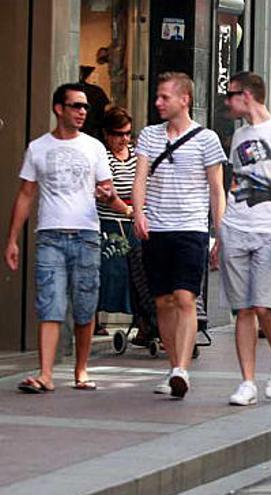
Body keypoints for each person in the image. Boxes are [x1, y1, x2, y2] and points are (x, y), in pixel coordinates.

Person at [5, 83, 125, 393]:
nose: (83, 112)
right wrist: (12, 239)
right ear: (59, 109)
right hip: (50, 236)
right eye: (76, 106)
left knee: (85, 306)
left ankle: (81, 371)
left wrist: (120, 204)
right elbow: (25, 195)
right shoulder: (38, 147)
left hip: (87, 235)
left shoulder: (94, 147)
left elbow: (108, 192)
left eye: (85, 107)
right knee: (50, 304)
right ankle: (45, 374)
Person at [132, 72, 227, 399]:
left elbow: (217, 190)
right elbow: (140, 178)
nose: (158, 102)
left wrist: (220, 234)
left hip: (191, 229)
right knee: (162, 301)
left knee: (186, 298)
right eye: (157, 97)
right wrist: (139, 213)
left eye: (164, 97)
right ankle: (173, 366)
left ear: (184, 100)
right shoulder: (148, 136)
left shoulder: (207, 139)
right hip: (156, 229)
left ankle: (181, 370)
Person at [220, 72, 271, 406]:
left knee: (266, 307)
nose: (227, 101)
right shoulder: (239, 136)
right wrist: (221, 230)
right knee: (243, 309)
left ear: (248, 95)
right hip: (237, 227)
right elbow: (234, 183)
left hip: (270, 230)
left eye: (231, 94)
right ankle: (247, 381)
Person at [94, 106, 137, 335]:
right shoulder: (102, 156)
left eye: (128, 133)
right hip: (110, 220)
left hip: (135, 221)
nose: (124, 139)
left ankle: (142, 322)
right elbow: (107, 192)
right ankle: (96, 320)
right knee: (110, 270)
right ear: (107, 134)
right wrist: (128, 210)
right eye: (119, 134)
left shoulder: (137, 155)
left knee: (137, 274)